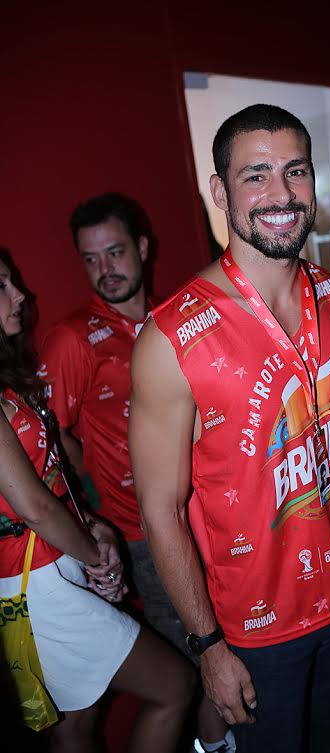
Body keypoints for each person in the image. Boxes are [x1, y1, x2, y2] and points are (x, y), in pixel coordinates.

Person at [129, 104, 330, 753]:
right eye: (255, 175)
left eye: (296, 171)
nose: (281, 194)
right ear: (220, 191)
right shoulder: (173, 338)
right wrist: (208, 645)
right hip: (257, 629)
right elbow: (159, 509)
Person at [40, 193, 227, 751]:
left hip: (208, 516)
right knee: (195, 659)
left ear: (143, 248)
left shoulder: (174, 320)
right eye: (90, 259)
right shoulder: (73, 339)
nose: (105, 269)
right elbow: (48, 439)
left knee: (227, 643)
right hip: (143, 532)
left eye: (115, 252)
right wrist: (95, 502)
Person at [0, 248, 194, 752]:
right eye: (2, 285)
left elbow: (49, 478)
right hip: (36, 580)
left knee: (77, 722)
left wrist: (91, 525)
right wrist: (96, 557)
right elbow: (33, 506)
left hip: (54, 563)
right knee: (175, 685)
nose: (20, 294)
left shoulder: (8, 380)